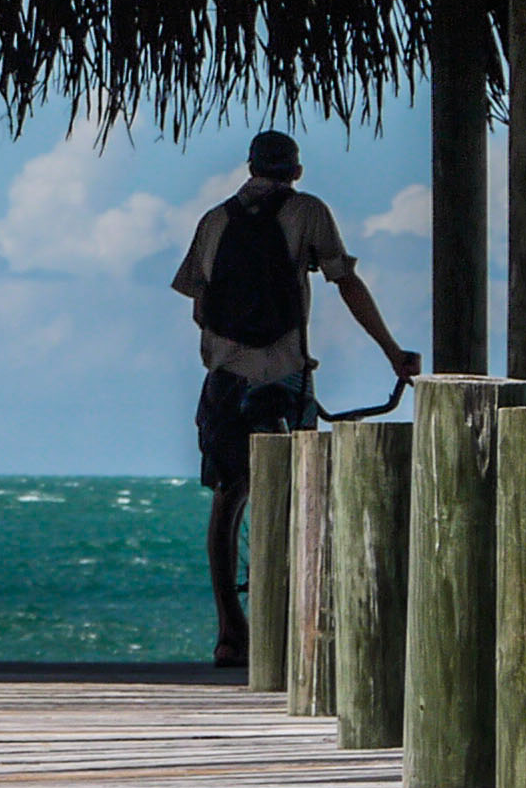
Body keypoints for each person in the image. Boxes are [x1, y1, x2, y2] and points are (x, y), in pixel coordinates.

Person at [172, 130, 418, 668]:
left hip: (226, 378)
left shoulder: (213, 221)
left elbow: (198, 306)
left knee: (227, 498)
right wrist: (392, 352)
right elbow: (345, 282)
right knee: (307, 492)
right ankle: (307, 631)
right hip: (285, 374)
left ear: (250, 168)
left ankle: (229, 632)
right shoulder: (308, 211)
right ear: (296, 172)